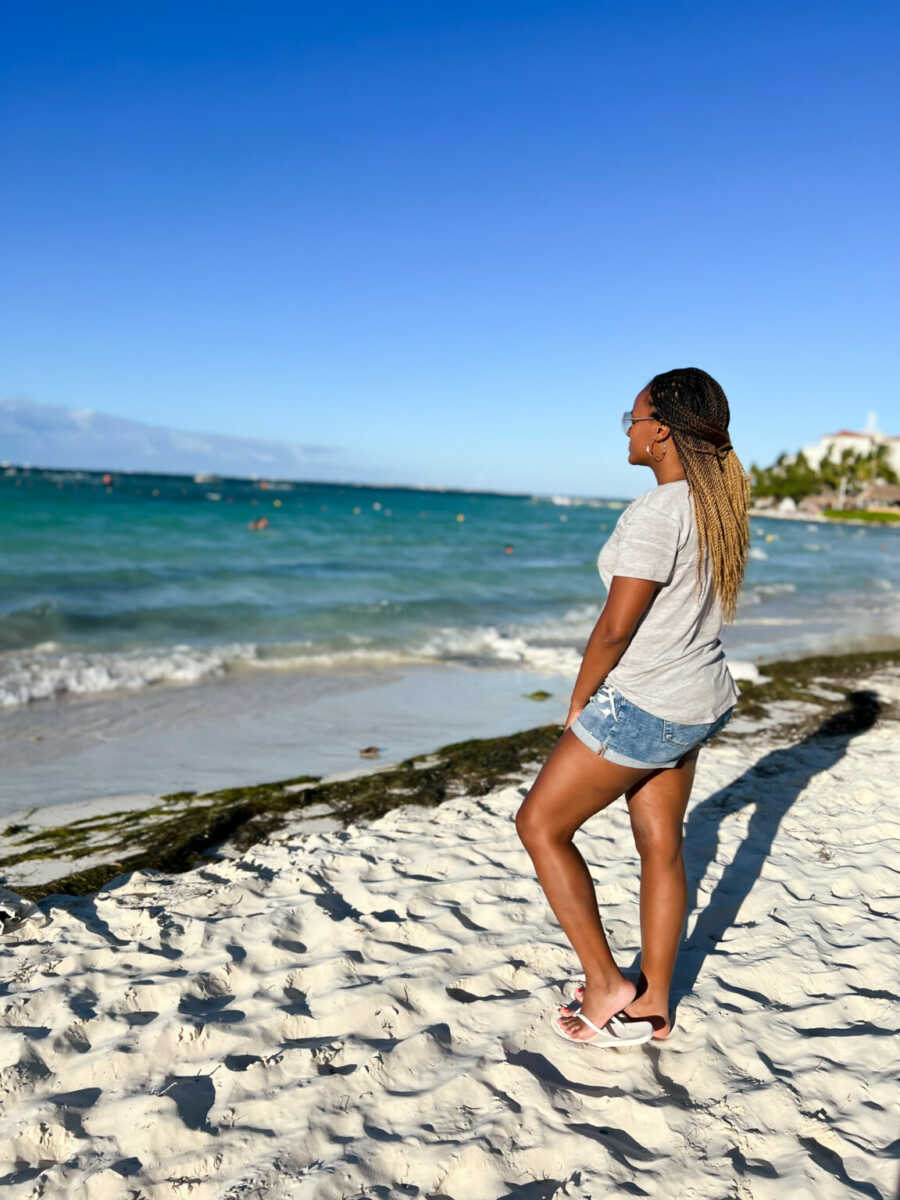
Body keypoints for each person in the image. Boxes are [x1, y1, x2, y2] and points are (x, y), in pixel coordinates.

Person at [516, 367, 749, 1047]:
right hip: (699, 697)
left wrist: (581, 701)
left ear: (662, 434)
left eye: (634, 417)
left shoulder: (658, 513)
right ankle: (653, 1003)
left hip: (646, 704)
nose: (629, 427)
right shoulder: (717, 508)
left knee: (540, 825)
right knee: (661, 847)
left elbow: (616, 628)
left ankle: (607, 981)